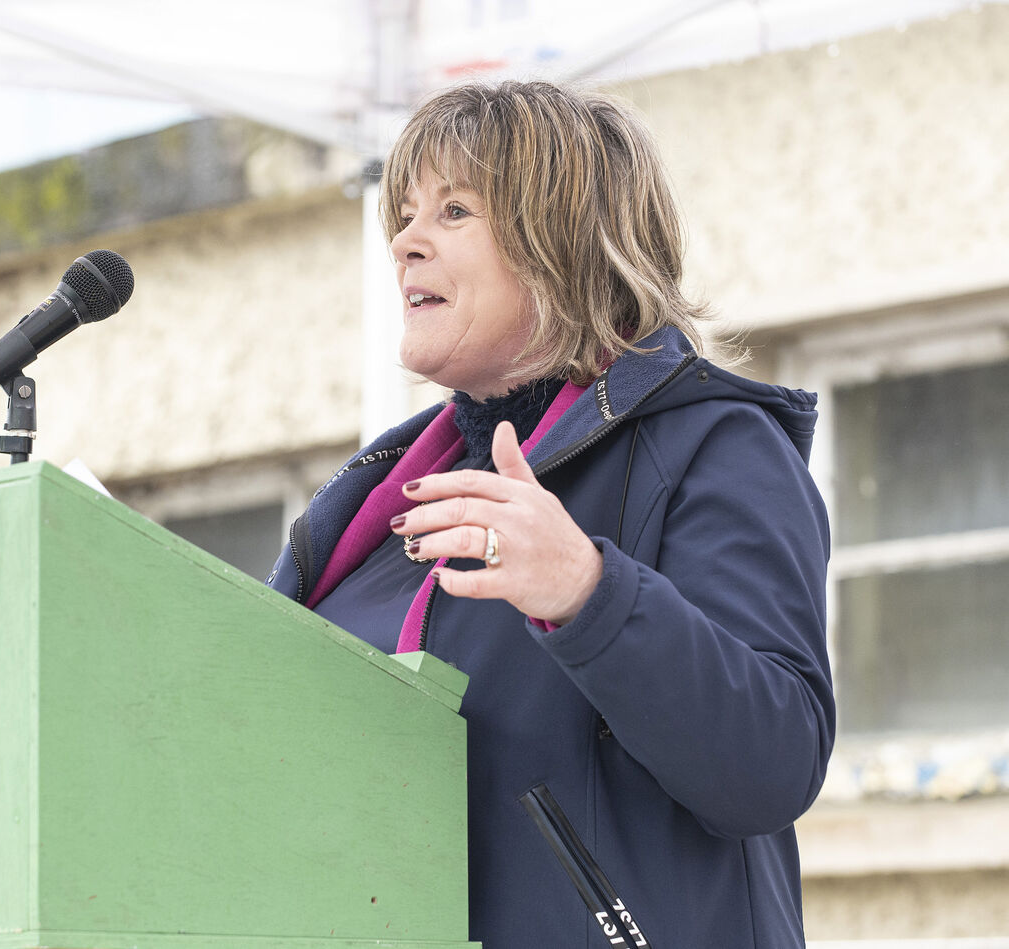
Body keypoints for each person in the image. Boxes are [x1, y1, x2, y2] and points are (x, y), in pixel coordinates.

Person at [267, 80, 832, 948]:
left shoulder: (712, 444)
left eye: (454, 210)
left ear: (562, 241)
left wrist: (588, 592)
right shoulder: (371, 507)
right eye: (405, 216)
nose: (406, 242)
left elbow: (773, 762)